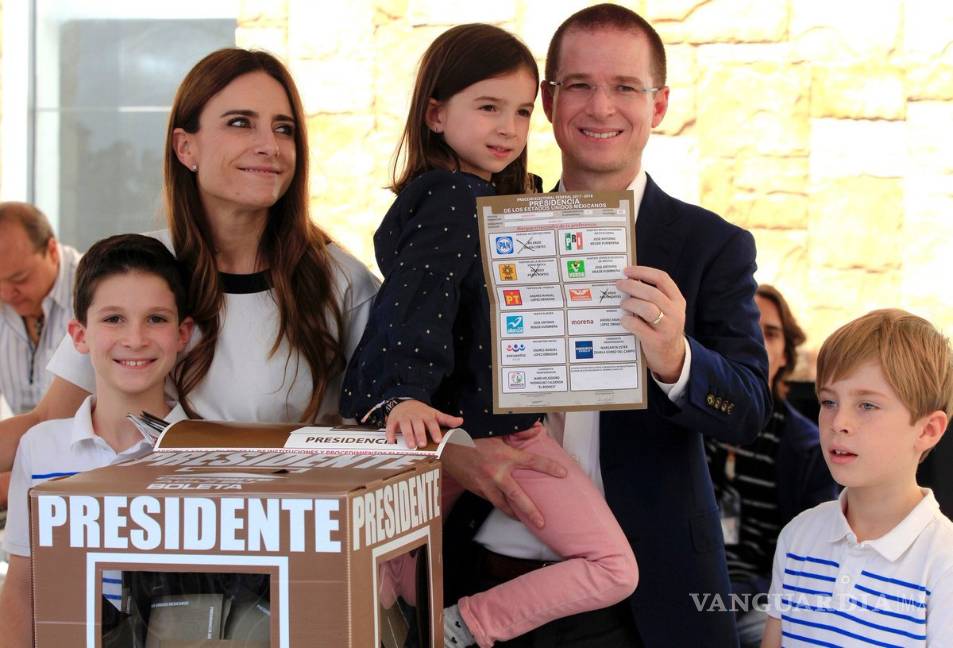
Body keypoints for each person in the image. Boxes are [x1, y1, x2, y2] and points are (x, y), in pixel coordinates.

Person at [445, 5, 771, 646]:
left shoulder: (712, 245)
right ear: (548, 101)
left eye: (625, 86)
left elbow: (749, 411)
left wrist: (678, 359)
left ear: (659, 105)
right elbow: (422, 382)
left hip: (647, 594)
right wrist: (458, 454)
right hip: (484, 576)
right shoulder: (486, 227)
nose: (601, 107)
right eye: (579, 85)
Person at [341, 24, 637, 648]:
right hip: (487, 426)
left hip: (459, 425)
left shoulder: (477, 200)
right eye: (488, 107)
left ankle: (397, 604)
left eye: (523, 112)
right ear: (436, 114)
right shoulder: (454, 198)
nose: (508, 128)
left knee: (396, 560)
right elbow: (415, 303)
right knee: (613, 566)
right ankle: (466, 624)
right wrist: (400, 396)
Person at [0, 49, 379, 470]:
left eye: (283, 129)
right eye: (241, 123)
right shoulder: (136, 268)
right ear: (185, 147)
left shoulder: (343, 282)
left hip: (288, 510)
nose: (269, 146)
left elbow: (387, 440)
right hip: (149, 511)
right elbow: (48, 422)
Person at [0, 234, 193, 648]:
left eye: (156, 319)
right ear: (79, 335)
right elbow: (22, 586)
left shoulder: (204, 455)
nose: (135, 339)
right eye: (114, 319)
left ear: (183, 334)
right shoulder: (39, 449)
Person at [761, 309, 953, 647]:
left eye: (867, 405)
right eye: (828, 401)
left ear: (927, 430)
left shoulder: (943, 560)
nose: (839, 423)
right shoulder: (798, 536)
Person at [706, 284, 838, 647]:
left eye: (771, 333)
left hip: (762, 598)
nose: (758, 341)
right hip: (682, 583)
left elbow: (813, 558)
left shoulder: (809, 448)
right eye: (746, 328)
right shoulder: (688, 422)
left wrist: (740, 595)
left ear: (784, 356)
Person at [0, 202, 81, 508]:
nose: (7, 294)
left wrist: (14, 483)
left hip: (88, 479)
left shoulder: (97, 294)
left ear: (52, 250)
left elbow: (51, 424)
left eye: (19, 279)